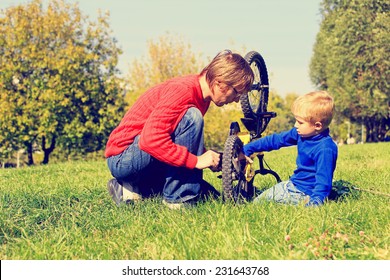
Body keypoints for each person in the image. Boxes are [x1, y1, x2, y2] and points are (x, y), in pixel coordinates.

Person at [105, 50, 254, 209]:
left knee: (209, 195)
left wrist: (211, 158)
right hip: (123, 157)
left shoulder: (202, 97)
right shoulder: (183, 91)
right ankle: (179, 201)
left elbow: (181, 137)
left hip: (141, 156)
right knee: (192, 116)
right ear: (220, 82)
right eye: (237, 92)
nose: (237, 100)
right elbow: (150, 140)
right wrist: (196, 160)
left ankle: (131, 188)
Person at [243, 91, 338, 206]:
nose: (295, 125)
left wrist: (315, 202)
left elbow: (324, 180)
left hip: (302, 191)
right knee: (264, 196)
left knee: (258, 203)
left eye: (300, 122)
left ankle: (305, 201)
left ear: (317, 125)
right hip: (296, 185)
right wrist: (249, 148)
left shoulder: (325, 149)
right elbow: (276, 140)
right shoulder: (302, 134)